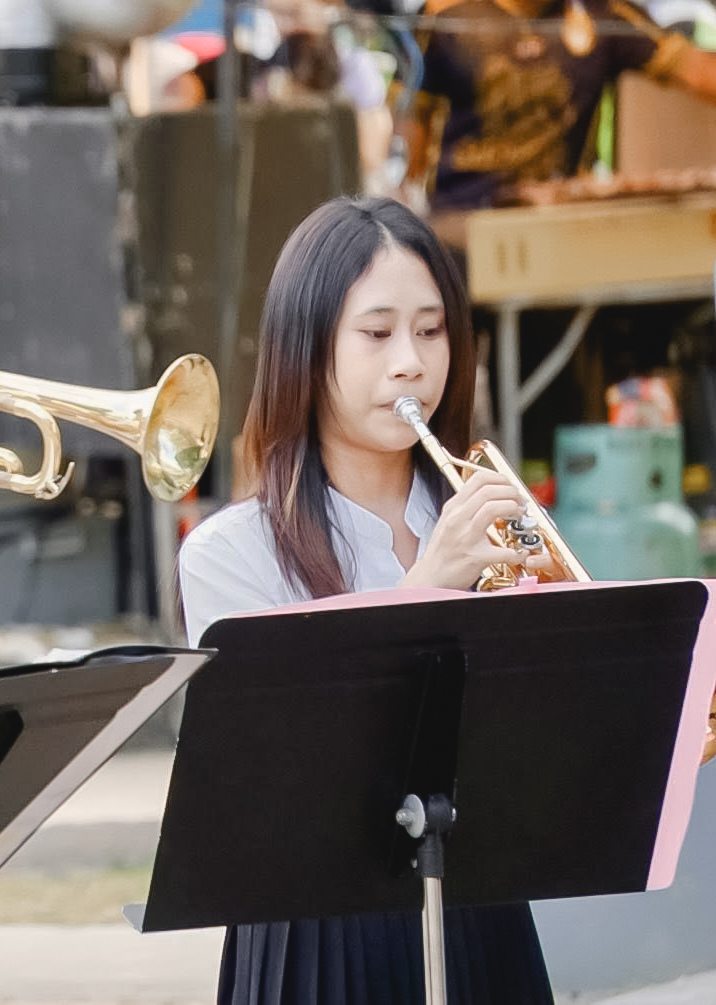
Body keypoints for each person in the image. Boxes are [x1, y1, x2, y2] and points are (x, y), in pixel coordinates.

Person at [179, 196, 554, 1005]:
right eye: (376, 333)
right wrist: (430, 586)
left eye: (431, 330)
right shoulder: (230, 553)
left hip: (481, 908)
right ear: (308, 350)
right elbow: (284, 768)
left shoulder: (491, 516)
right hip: (313, 933)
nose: (411, 362)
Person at [412, 0, 716, 243]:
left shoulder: (602, 14)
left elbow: (700, 73)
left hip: (557, 224)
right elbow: (411, 120)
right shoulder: (445, 15)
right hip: (460, 222)